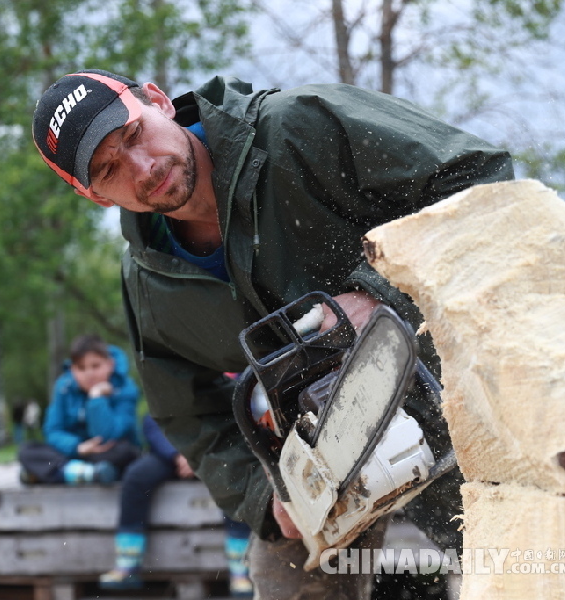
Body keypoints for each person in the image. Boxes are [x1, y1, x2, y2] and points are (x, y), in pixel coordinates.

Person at [31, 69, 514, 598]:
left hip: (460, 400)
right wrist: (265, 495)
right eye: (109, 169)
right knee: (284, 580)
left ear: (158, 101)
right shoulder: (148, 279)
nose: (144, 167)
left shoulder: (298, 127)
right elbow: (186, 410)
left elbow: (476, 176)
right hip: (318, 461)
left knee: (529, 566)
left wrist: (382, 291)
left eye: (133, 134)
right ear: (94, 195)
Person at [100, 414, 253, 597]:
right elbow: (152, 422)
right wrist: (177, 455)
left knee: (234, 477)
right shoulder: (163, 386)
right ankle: (128, 563)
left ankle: (241, 570)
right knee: (136, 476)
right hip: (171, 454)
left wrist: (198, 455)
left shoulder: (231, 384)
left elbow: (232, 420)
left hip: (215, 454)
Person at [18, 334, 140, 484]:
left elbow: (107, 436)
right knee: (27, 450)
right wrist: (77, 447)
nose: (89, 374)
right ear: (72, 369)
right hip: (77, 452)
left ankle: (55, 473)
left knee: (126, 452)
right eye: (81, 368)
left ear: (110, 364)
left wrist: (96, 398)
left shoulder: (126, 390)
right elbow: (53, 430)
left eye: (95, 366)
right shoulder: (63, 387)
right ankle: (87, 473)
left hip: (107, 451)